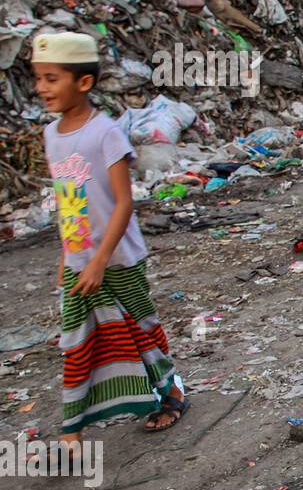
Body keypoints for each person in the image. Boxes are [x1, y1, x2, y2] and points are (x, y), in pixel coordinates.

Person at [32, 31, 190, 459]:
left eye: (51, 78)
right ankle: (72, 430)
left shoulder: (105, 134)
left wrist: (100, 259)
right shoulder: (51, 135)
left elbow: (123, 203)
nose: (42, 88)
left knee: (139, 332)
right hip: (78, 259)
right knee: (78, 340)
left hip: (118, 259)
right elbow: (68, 203)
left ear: (83, 83)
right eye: (39, 78)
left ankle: (170, 390)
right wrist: (69, 255)